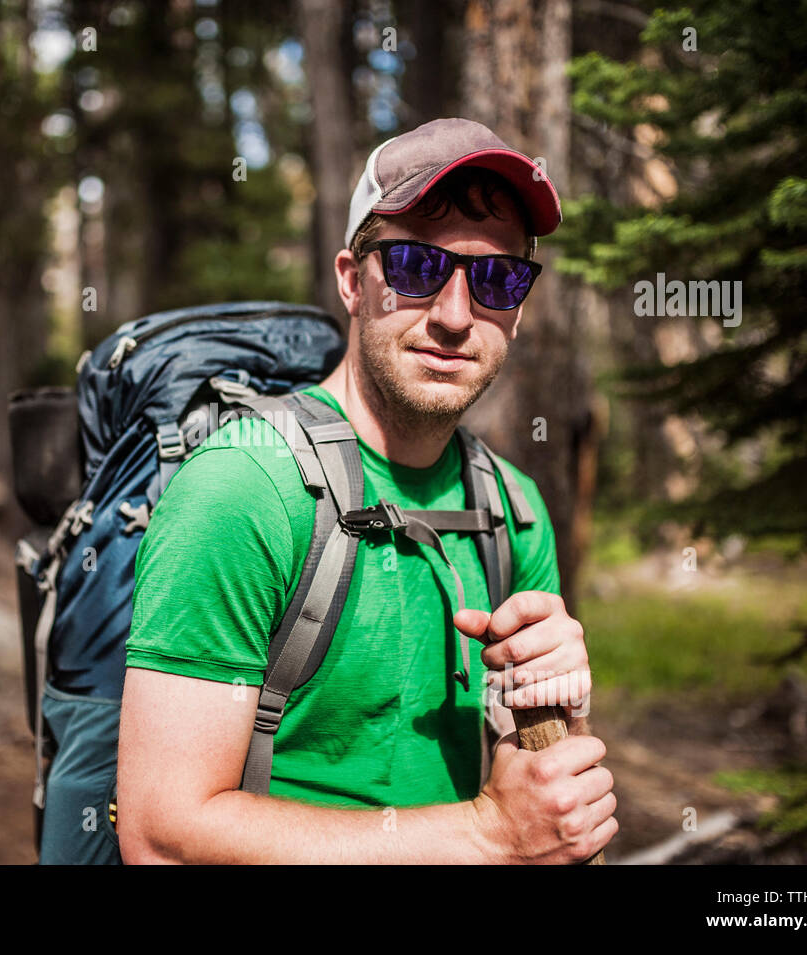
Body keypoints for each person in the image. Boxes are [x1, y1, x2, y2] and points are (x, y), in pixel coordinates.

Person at [116, 118, 617, 864]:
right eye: (417, 266)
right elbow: (160, 837)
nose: (454, 315)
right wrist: (485, 835)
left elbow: (535, 811)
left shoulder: (512, 510)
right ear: (353, 279)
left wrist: (561, 721)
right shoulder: (242, 488)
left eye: (496, 278)